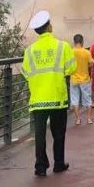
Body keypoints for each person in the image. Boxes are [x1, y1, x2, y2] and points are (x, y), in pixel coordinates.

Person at [21, 10, 76, 177]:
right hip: (57, 97)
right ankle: (58, 163)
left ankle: (40, 166)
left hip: (38, 98)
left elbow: (25, 72)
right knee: (58, 133)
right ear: (49, 26)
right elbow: (71, 68)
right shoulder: (63, 46)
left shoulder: (29, 51)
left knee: (39, 134)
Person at [70, 34, 94, 125]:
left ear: (74, 41)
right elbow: (91, 64)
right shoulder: (86, 52)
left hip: (74, 79)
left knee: (75, 99)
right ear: (82, 41)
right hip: (85, 79)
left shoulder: (71, 52)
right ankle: (89, 118)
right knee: (88, 99)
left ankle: (77, 119)